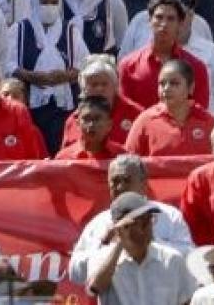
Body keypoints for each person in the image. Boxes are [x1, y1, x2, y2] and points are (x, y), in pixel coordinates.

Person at [69, 154, 195, 284]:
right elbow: (75, 273)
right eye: (115, 181)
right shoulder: (99, 224)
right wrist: (105, 247)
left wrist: (149, 242)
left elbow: (191, 260)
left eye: (126, 180)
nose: (120, 187)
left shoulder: (169, 217)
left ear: (144, 183)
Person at [9, 0, 86, 154]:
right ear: (35, 1)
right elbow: (8, 64)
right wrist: (32, 76)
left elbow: (84, 64)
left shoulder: (70, 31)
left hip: (61, 109)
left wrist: (64, 76)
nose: (49, 6)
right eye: (44, 2)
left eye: (53, 2)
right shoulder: (20, 30)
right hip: (29, 107)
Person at [85, 192, 196, 305]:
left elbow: (187, 301)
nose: (146, 229)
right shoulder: (101, 258)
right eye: (140, 223)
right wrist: (120, 245)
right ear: (121, 229)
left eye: (149, 221)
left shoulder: (172, 260)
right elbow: (94, 289)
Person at [118, 0, 212, 110]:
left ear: (180, 24)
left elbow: (200, 113)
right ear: (150, 21)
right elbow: (123, 111)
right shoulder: (128, 66)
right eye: (159, 17)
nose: (164, 24)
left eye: (171, 19)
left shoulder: (196, 68)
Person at [124, 58, 214, 157]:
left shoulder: (208, 122)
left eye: (174, 83)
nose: (166, 88)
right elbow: (129, 163)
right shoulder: (145, 121)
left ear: (191, 88)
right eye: (162, 84)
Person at [55, 96, 120, 161]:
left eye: (97, 119)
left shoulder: (121, 156)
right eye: (86, 119)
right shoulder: (64, 158)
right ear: (78, 124)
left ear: (109, 125)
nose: (91, 125)